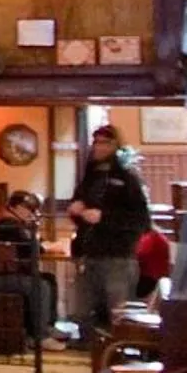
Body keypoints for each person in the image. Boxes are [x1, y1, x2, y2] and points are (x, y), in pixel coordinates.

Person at [68, 125, 152, 335]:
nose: (99, 147)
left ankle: (117, 355)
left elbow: (142, 221)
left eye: (105, 142)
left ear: (116, 145)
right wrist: (75, 210)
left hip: (118, 255)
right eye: (96, 142)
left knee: (118, 312)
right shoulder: (89, 176)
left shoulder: (127, 178)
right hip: (88, 253)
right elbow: (81, 212)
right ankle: (90, 353)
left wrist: (104, 218)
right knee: (83, 310)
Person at [0, 189, 55, 344]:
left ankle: (47, 326)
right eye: (29, 209)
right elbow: (32, 247)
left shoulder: (13, 221)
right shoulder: (7, 223)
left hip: (6, 273)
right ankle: (40, 336)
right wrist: (35, 233)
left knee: (50, 279)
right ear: (16, 207)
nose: (32, 213)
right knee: (41, 287)